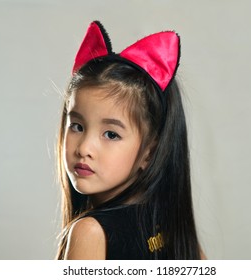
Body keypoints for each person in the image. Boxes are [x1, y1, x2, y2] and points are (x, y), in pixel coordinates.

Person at [56, 21, 205, 260]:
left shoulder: (91, 232)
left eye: (111, 134)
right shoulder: (172, 224)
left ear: (149, 152)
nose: (84, 148)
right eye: (77, 126)